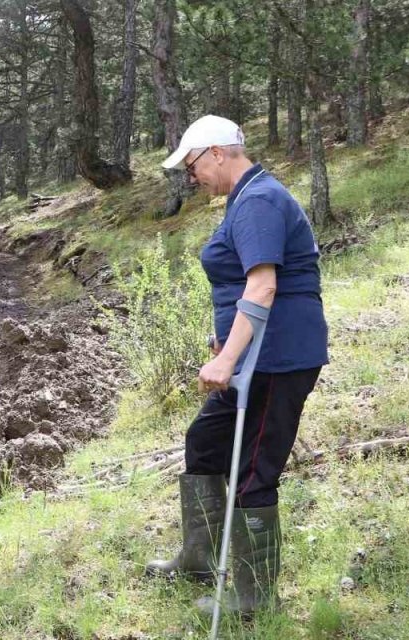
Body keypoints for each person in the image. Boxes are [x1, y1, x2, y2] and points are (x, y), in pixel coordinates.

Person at [144, 115, 328, 619]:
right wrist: (227, 341)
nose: (192, 178)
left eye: (192, 167)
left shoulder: (260, 200)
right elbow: (243, 285)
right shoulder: (246, 198)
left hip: (276, 360)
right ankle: (200, 559)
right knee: (205, 441)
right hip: (253, 355)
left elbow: (263, 285)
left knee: (253, 473)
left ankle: (252, 599)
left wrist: (226, 358)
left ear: (217, 153)